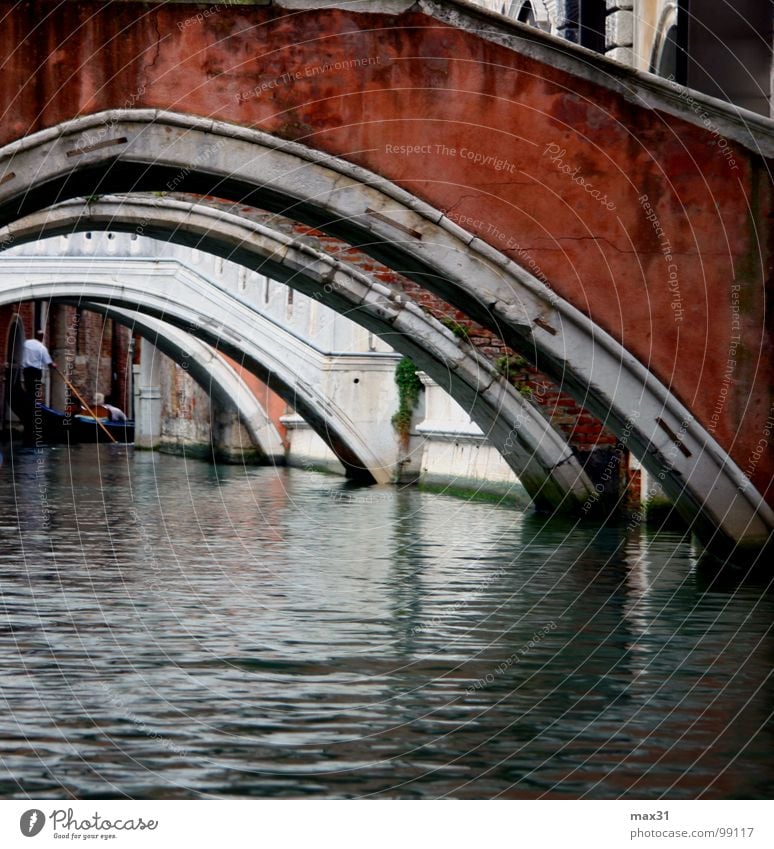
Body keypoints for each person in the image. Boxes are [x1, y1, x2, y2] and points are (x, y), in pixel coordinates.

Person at [21, 330, 57, 446]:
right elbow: (49, 363)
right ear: (42, 337)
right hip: (36, 372)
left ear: (35, 335)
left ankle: (29, 407)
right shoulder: (42, 348)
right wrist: (54, 365)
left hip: (26, 371)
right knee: (34, 393)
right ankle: (33, 410)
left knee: (28, 390)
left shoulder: (26, 343)